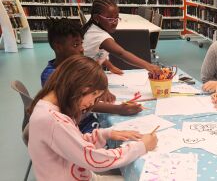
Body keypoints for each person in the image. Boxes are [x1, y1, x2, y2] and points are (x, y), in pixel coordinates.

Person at [28, 55, 158, 180]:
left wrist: (106, 134)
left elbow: (74, 143)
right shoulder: (54, 121)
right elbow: (93, 159)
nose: (92, 103)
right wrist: (142, 146)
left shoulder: (48, 108)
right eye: (94, 95)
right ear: (79, 86)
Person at [41, 18, 142, 133]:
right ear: (58, 47)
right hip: (76, 128)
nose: (81, 49)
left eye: (81, 43)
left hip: (87, 120)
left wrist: (101, 91)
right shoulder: (51, 76)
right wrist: (118, 108)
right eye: (75, 44)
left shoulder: (77, 66)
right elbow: (78, 103)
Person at [82, 0, 161, 75]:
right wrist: (148, 66)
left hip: (86, 72)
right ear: (96, 18)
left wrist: (110, 67)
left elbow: (96, 54)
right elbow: (121, 53)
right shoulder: (100, 36)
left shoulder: (92, 27)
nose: (115, 22)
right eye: (110, 19)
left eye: (117, 18)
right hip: (84, 76)